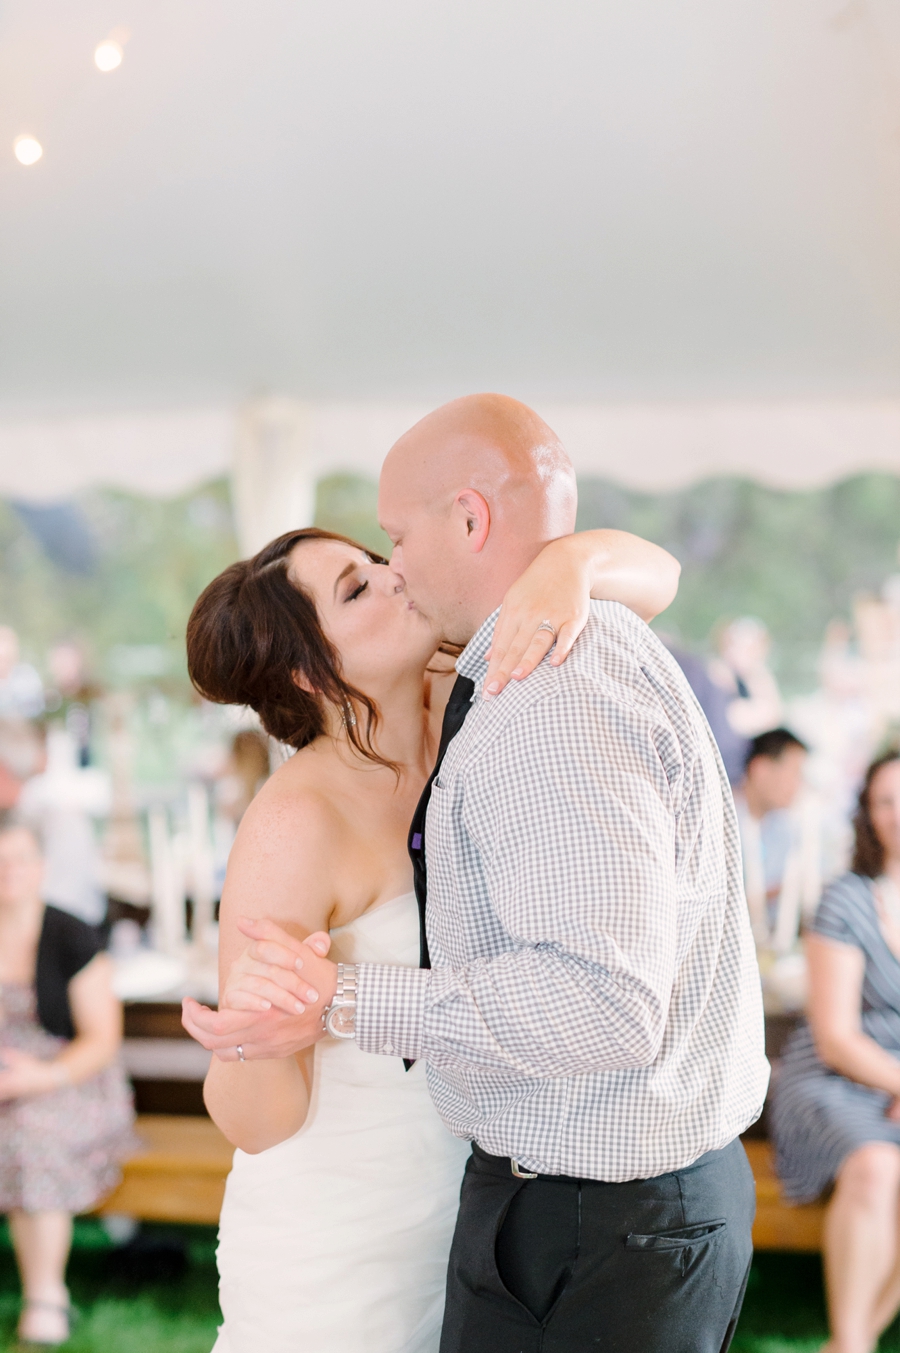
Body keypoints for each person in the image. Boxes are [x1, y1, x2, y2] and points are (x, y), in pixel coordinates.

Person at [184, 394, 768, 1353]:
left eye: (382, 553)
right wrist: (253, 1032)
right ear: (308, 673)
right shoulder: (297, 820)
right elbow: (254, 1118)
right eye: (359, 588)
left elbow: (653, 575)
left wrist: (569, 562)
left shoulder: (481, 680)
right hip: (353, 1213)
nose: (395, 573)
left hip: (483, 1183)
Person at [771, 750, 900, 1353]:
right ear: (868, 816)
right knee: (877, 1167)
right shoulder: (847, 898)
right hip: (833, 1078)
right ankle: (854, 1344)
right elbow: (837, 1038)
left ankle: (850, 1344)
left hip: (894, 1083)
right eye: (884, 801)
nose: (897, 813)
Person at [0, 821, 136, 1346]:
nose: (9, 872)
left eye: (20, 860)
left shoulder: (71, 933)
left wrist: (40, 1077)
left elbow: (102, 1039)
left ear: (41, 869)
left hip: (72, 1079)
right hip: (10, 1083)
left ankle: (46, 1295)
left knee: (30, 1134)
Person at [735, 728, 821, 1012]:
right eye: (794, 772)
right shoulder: (720, 821)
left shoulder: (784, 830)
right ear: (760, 770)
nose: (799, 785)